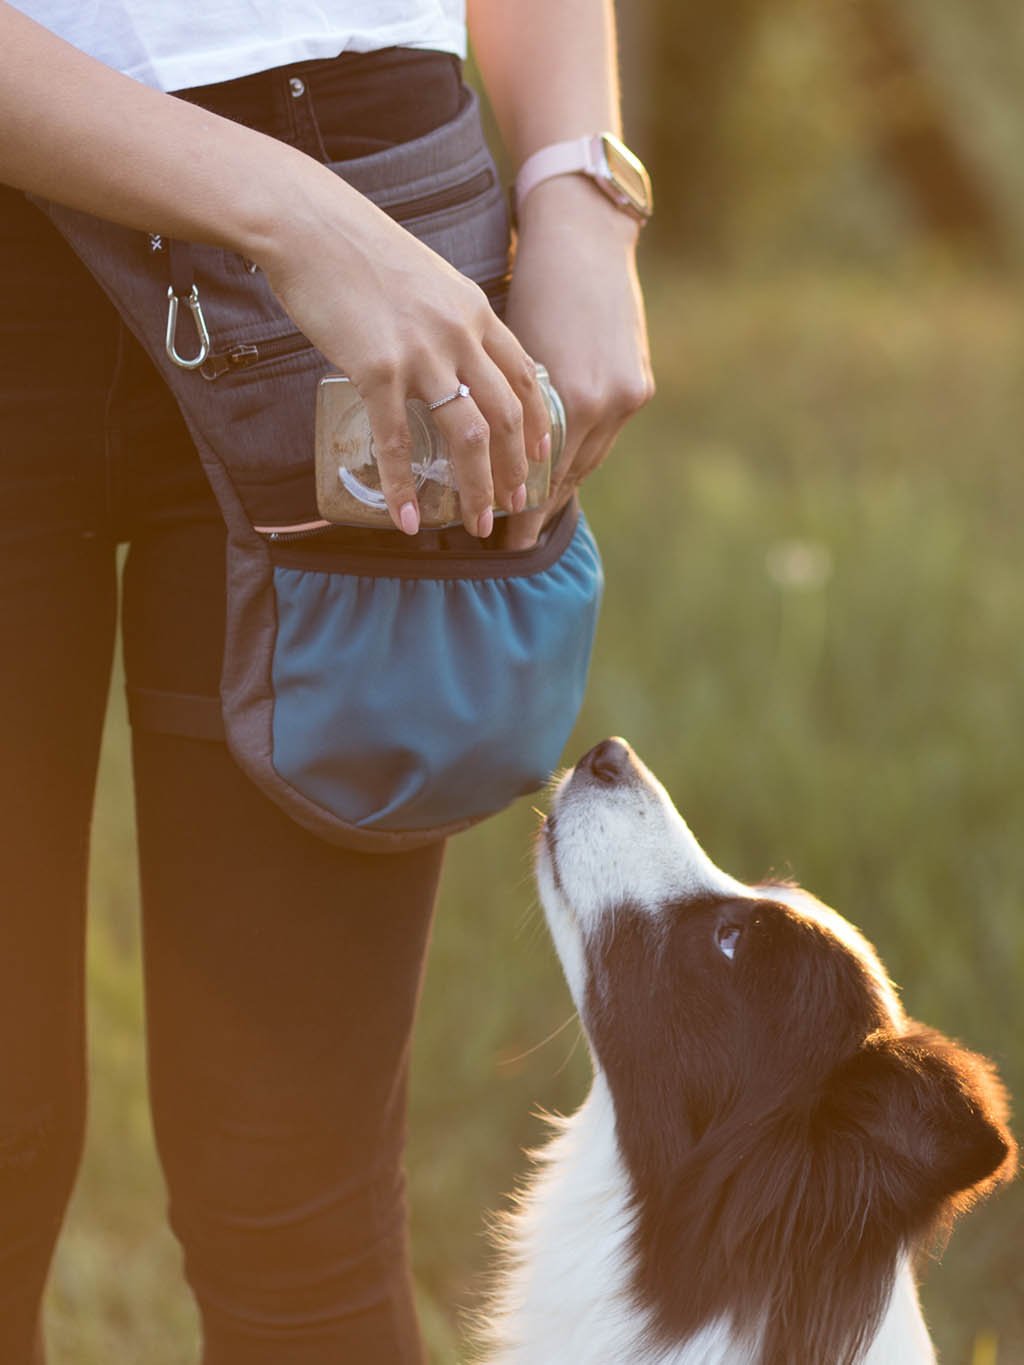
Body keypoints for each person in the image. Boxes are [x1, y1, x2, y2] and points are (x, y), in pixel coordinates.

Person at [0, 1, 653, 1361]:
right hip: (323, 242)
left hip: (381, 245)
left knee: (292, 1194)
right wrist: (293, 219)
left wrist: (580, 187)